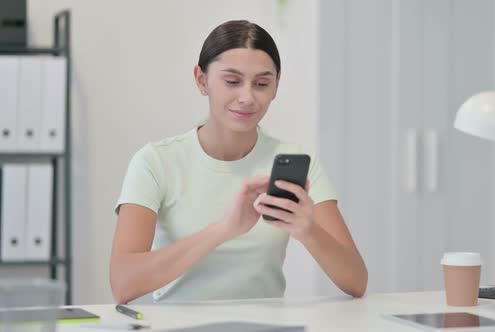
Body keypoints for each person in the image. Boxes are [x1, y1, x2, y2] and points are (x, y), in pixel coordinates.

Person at [110, 20, 367, 304]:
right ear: (201, 79)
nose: (247, 98)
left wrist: (309, 231)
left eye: (262, 84)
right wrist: (224, 229)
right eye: (232, 81)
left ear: (276, 87)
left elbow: (356, 282)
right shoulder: (155, 162)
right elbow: (123, 283)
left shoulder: (299, 164)